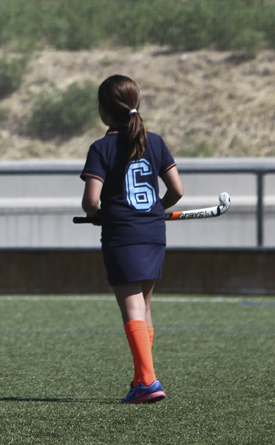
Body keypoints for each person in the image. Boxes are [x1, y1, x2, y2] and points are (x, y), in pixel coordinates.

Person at [80, 74, 183, 404]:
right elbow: (177, 191)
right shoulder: (155, 141)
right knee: (146, 306)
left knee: (132, 307)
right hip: (154, 234)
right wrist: (155, 210)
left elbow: (91, 202)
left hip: (122, 236)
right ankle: (142, 379)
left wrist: (98, 216)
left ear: (103, 109)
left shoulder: (101, 148)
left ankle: (149, 381)